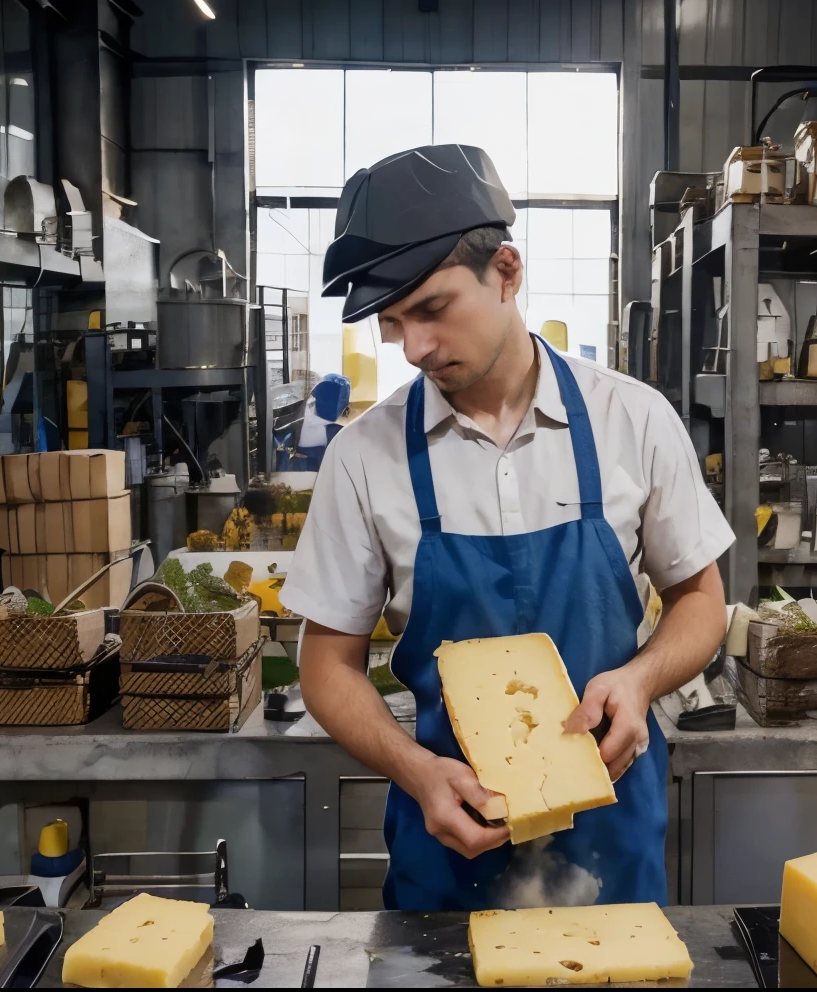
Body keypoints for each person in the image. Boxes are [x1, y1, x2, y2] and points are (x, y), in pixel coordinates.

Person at [280, 145, 733, 912]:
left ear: (507, 272)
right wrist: (417, 772)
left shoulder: (635, 420)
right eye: (393, 323)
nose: (415, 348)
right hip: (450, 852)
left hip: (610, 847)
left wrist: (641, 678)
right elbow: (325, 665)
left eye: (431, 310)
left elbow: (702, 601)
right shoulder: (364, 456)